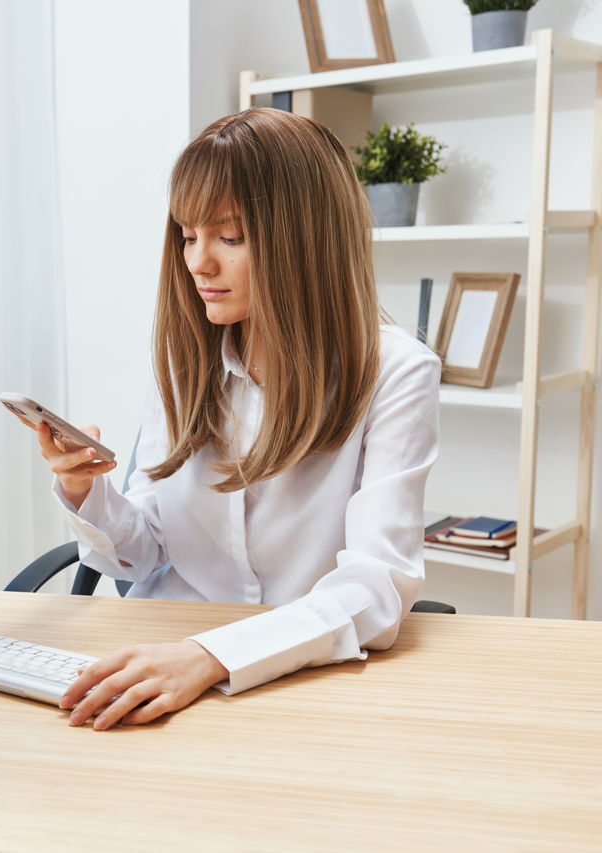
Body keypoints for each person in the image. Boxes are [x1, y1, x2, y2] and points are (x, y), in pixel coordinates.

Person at [31, 107, 441, 731]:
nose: (199, 263)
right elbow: (143, 555)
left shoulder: (396, 374)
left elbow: (376, 588)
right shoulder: (181, 358)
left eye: (230, 236)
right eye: (188, 235)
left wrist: (207, 657)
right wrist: (85, 487)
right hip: (163, 660)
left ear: (305, 239)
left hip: (293, 675)